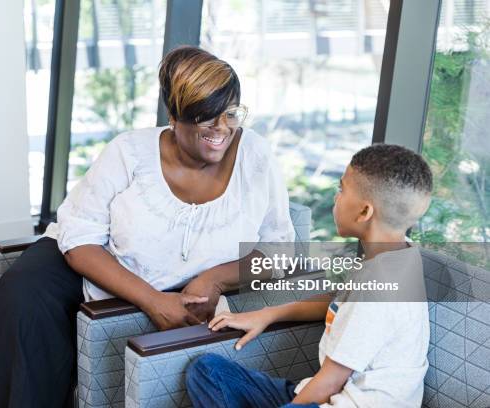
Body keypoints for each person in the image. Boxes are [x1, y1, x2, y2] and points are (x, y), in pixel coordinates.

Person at [0, 46, 295, 407]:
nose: (222, 128)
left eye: (231, 113)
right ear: (174, 118)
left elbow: (279, 249)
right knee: (20, 299)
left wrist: (216, 278)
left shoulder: (256, 156)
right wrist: (153, 300)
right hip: (92, 260)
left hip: (172, 279)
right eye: (207, 117)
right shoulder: (128, 152)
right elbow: (79, 237)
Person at [186, 144, 433, 408]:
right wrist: (267, 314)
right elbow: (337, 300)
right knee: (207, 372)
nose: (336, 197)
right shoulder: (395, 252)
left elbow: (330, 382)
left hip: (337, 398)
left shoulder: (378, 291)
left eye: (342, 189)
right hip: (316, 392)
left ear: (364, 212)